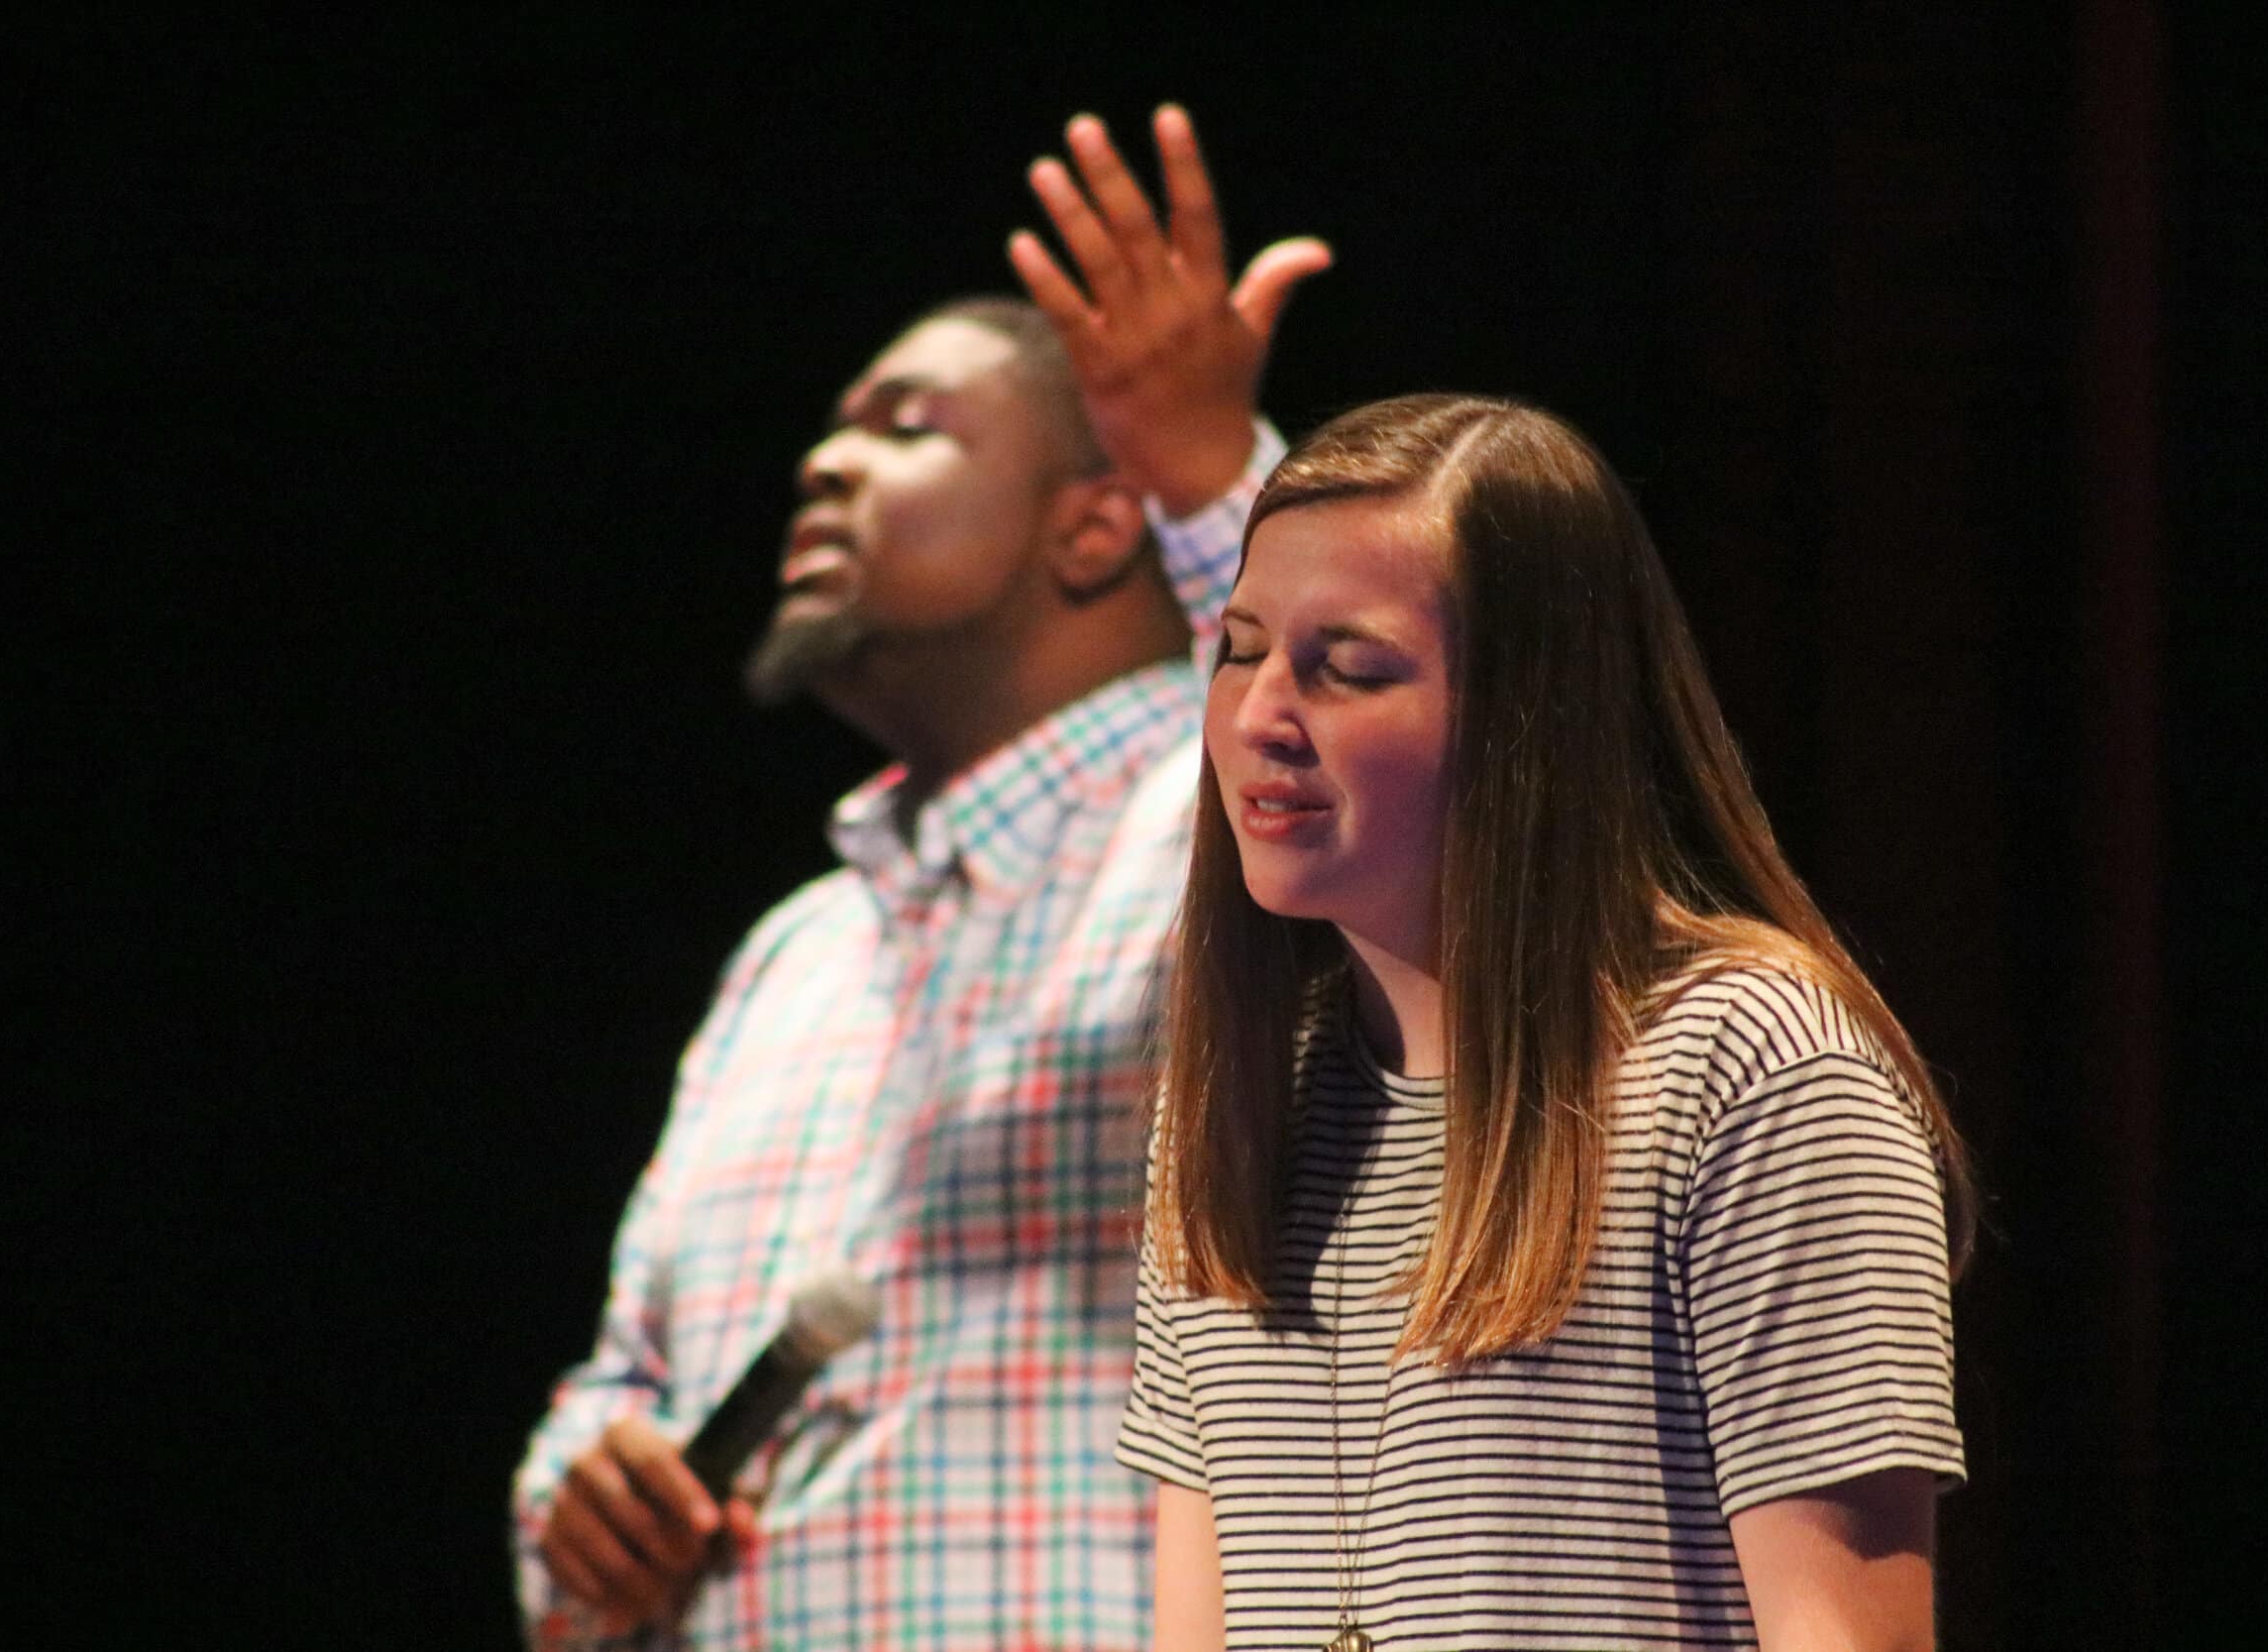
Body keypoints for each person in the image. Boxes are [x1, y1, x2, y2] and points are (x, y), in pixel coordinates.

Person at [511, 106, 1331, 1652]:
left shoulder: (1211, 823)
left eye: (905, 427)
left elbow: (1392, 740)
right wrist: (585, 1496)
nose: (822, 462)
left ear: (1094, 525)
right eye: (835, 425)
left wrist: (1218, 475)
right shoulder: (796, 953)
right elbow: (627, 1373)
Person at [1122, 393, 1976, 1651]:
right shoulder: (1239, 1103)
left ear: (1531, 718)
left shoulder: (1753, 1068)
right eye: (1240, 650)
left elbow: (1848, 1635)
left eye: (1345, 667)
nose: (1258, 717)